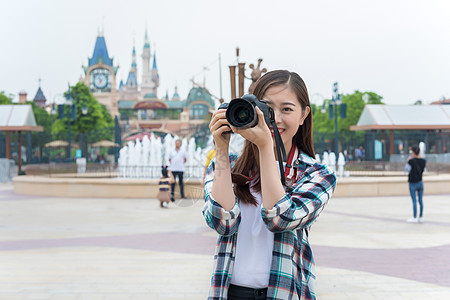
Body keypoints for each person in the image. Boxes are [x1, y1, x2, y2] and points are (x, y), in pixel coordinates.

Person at [203, 70, 337, 299]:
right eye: (267, 109)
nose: (275, 118)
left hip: (284, 292)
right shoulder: (228, 165)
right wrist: (222, 147)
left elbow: (280, 219)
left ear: (304, 115)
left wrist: (266, 147)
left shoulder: (318, 173)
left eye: (287, 109)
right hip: (230, 292)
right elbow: (221, 223)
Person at [406, 145, 426, 223]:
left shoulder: (411, 161)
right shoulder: (423, 161)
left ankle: (414, 217)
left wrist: (411, 155)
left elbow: (408, 162)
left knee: (414, 200)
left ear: (413, 152)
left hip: (412, 183)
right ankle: (420, 217)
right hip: (420, 183)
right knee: (420, 201)